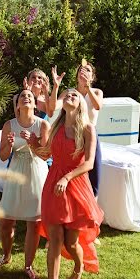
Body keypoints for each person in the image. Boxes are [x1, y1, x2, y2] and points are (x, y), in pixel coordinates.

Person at [28, 88, 104, 279]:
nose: (70, 96)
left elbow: (88, 163)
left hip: (75, 185)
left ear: (80, 103)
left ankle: (79, 267)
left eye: (74, 95)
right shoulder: (56, 126)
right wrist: (34, 146)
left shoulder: (88, 129)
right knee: (55, 239)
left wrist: (67, 178)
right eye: (67, 94)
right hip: (54, 185)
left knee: (71, 243)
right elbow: (47, 154)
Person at [0, 89, 50, 279]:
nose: (26, 98)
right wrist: (8, 145)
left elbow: (46, 155)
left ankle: (28, 265)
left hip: (36, 173)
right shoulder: (9, 125)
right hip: (15, 172)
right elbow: (2, 156)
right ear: (17, 105)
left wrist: (33, 142)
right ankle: (6, 256)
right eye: (23, 96)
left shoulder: (43, 125)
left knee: (34, 222)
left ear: (34, 104)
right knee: (6, 220)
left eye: (30, 97)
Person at [49, 62, 104, 195]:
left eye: (88, 70)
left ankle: (92, 203)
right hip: (71, 134)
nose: (83, 71)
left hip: (89, 134)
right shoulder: (69, 93)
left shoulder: (96, 91)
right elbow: (53, 107)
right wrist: (56, 87)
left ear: (92, 76)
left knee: (93, 172)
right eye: (81, 69)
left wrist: (87, 87)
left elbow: (97, 106)